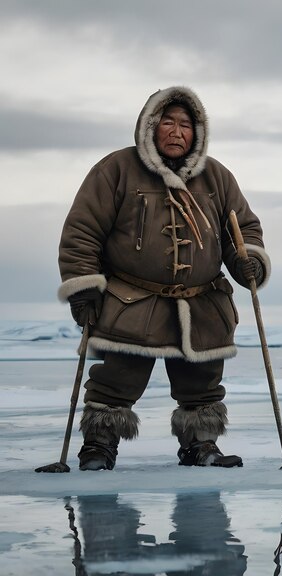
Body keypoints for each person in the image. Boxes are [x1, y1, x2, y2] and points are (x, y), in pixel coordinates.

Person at [58, 86, 270, 471]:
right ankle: (98, 448)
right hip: (130, 301)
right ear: (150, 126)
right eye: (167, 122)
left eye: (185, 124)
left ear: (198, 132)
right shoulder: (116, 169)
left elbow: (243, 230)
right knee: (114, 382)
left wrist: (248, 261)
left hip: (202, 304)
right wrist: (84, 285)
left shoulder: (217, 177)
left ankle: (200, 446)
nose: (176, 131)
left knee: (202, 385)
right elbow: (82, 231)